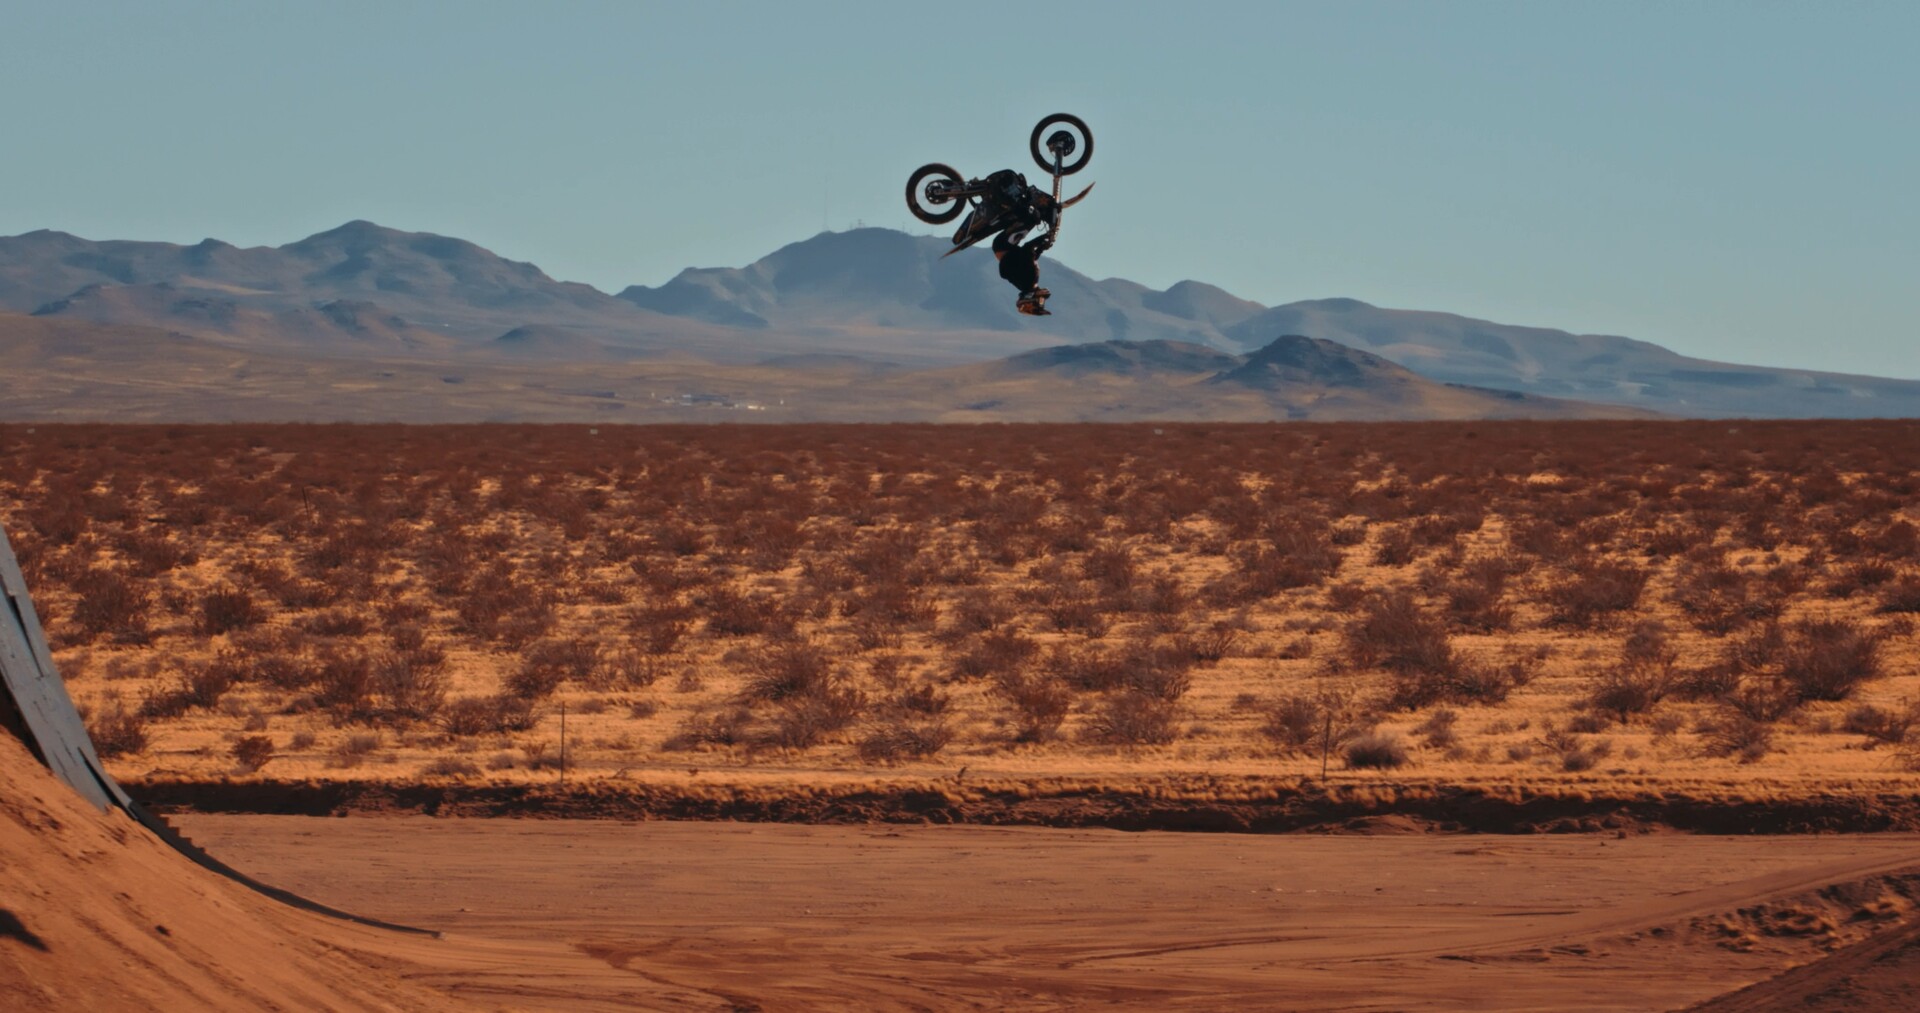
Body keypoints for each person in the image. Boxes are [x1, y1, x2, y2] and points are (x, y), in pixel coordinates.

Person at [972, 170, 1058, 316]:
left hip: (1005, 245)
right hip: (1004, 247)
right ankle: (1014, 194)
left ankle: (1007, 192)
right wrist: (1042, 246)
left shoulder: (1029, 281)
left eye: (1039, 301)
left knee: (1030, 218)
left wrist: (1044, 237)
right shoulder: (1025, 283)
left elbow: (1027, 250)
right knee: (1029, 219)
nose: (1042, 298)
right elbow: (1028, 258)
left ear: (1030, 298)